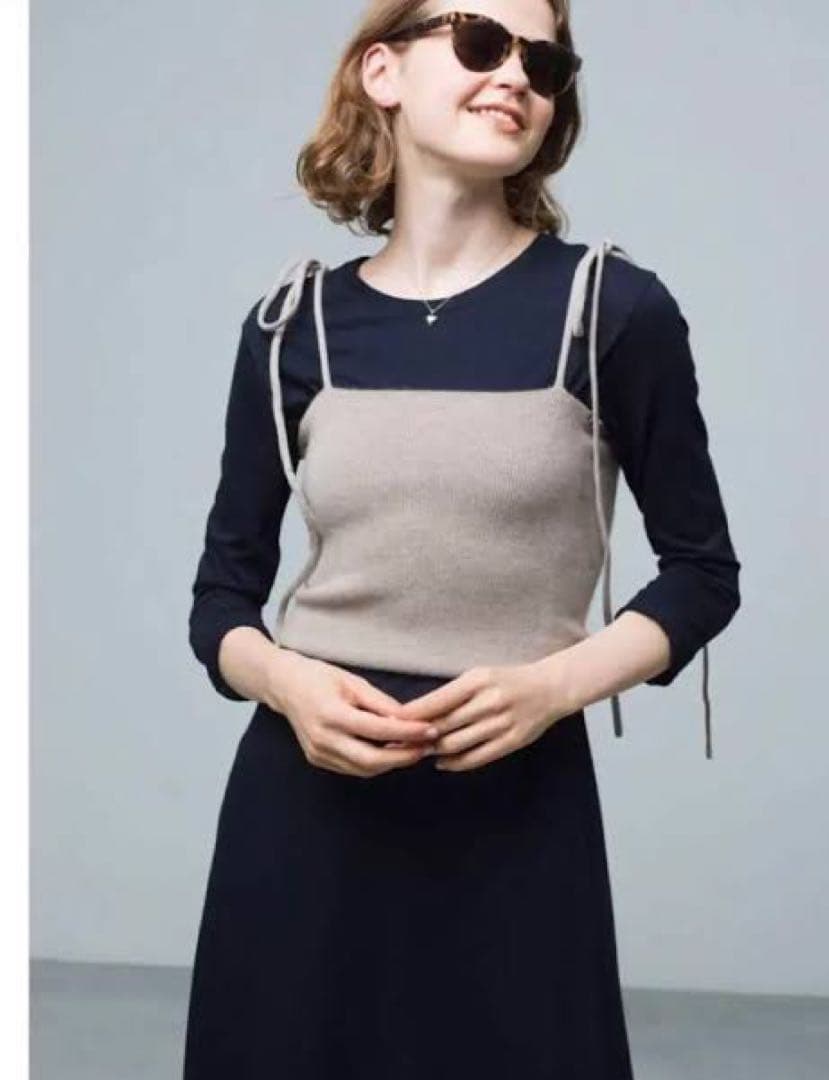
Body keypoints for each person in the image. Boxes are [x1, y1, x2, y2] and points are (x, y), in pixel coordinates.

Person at [182, 1, 741, 1077]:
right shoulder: (291, 326)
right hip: (304, 812)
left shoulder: (610, 308)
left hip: (515, 812)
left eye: (544, 61)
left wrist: (555, 687)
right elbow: (221, 597)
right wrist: (288, 685)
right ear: (382, 72)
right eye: (481, 42)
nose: (516, 77)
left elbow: (701, 575)